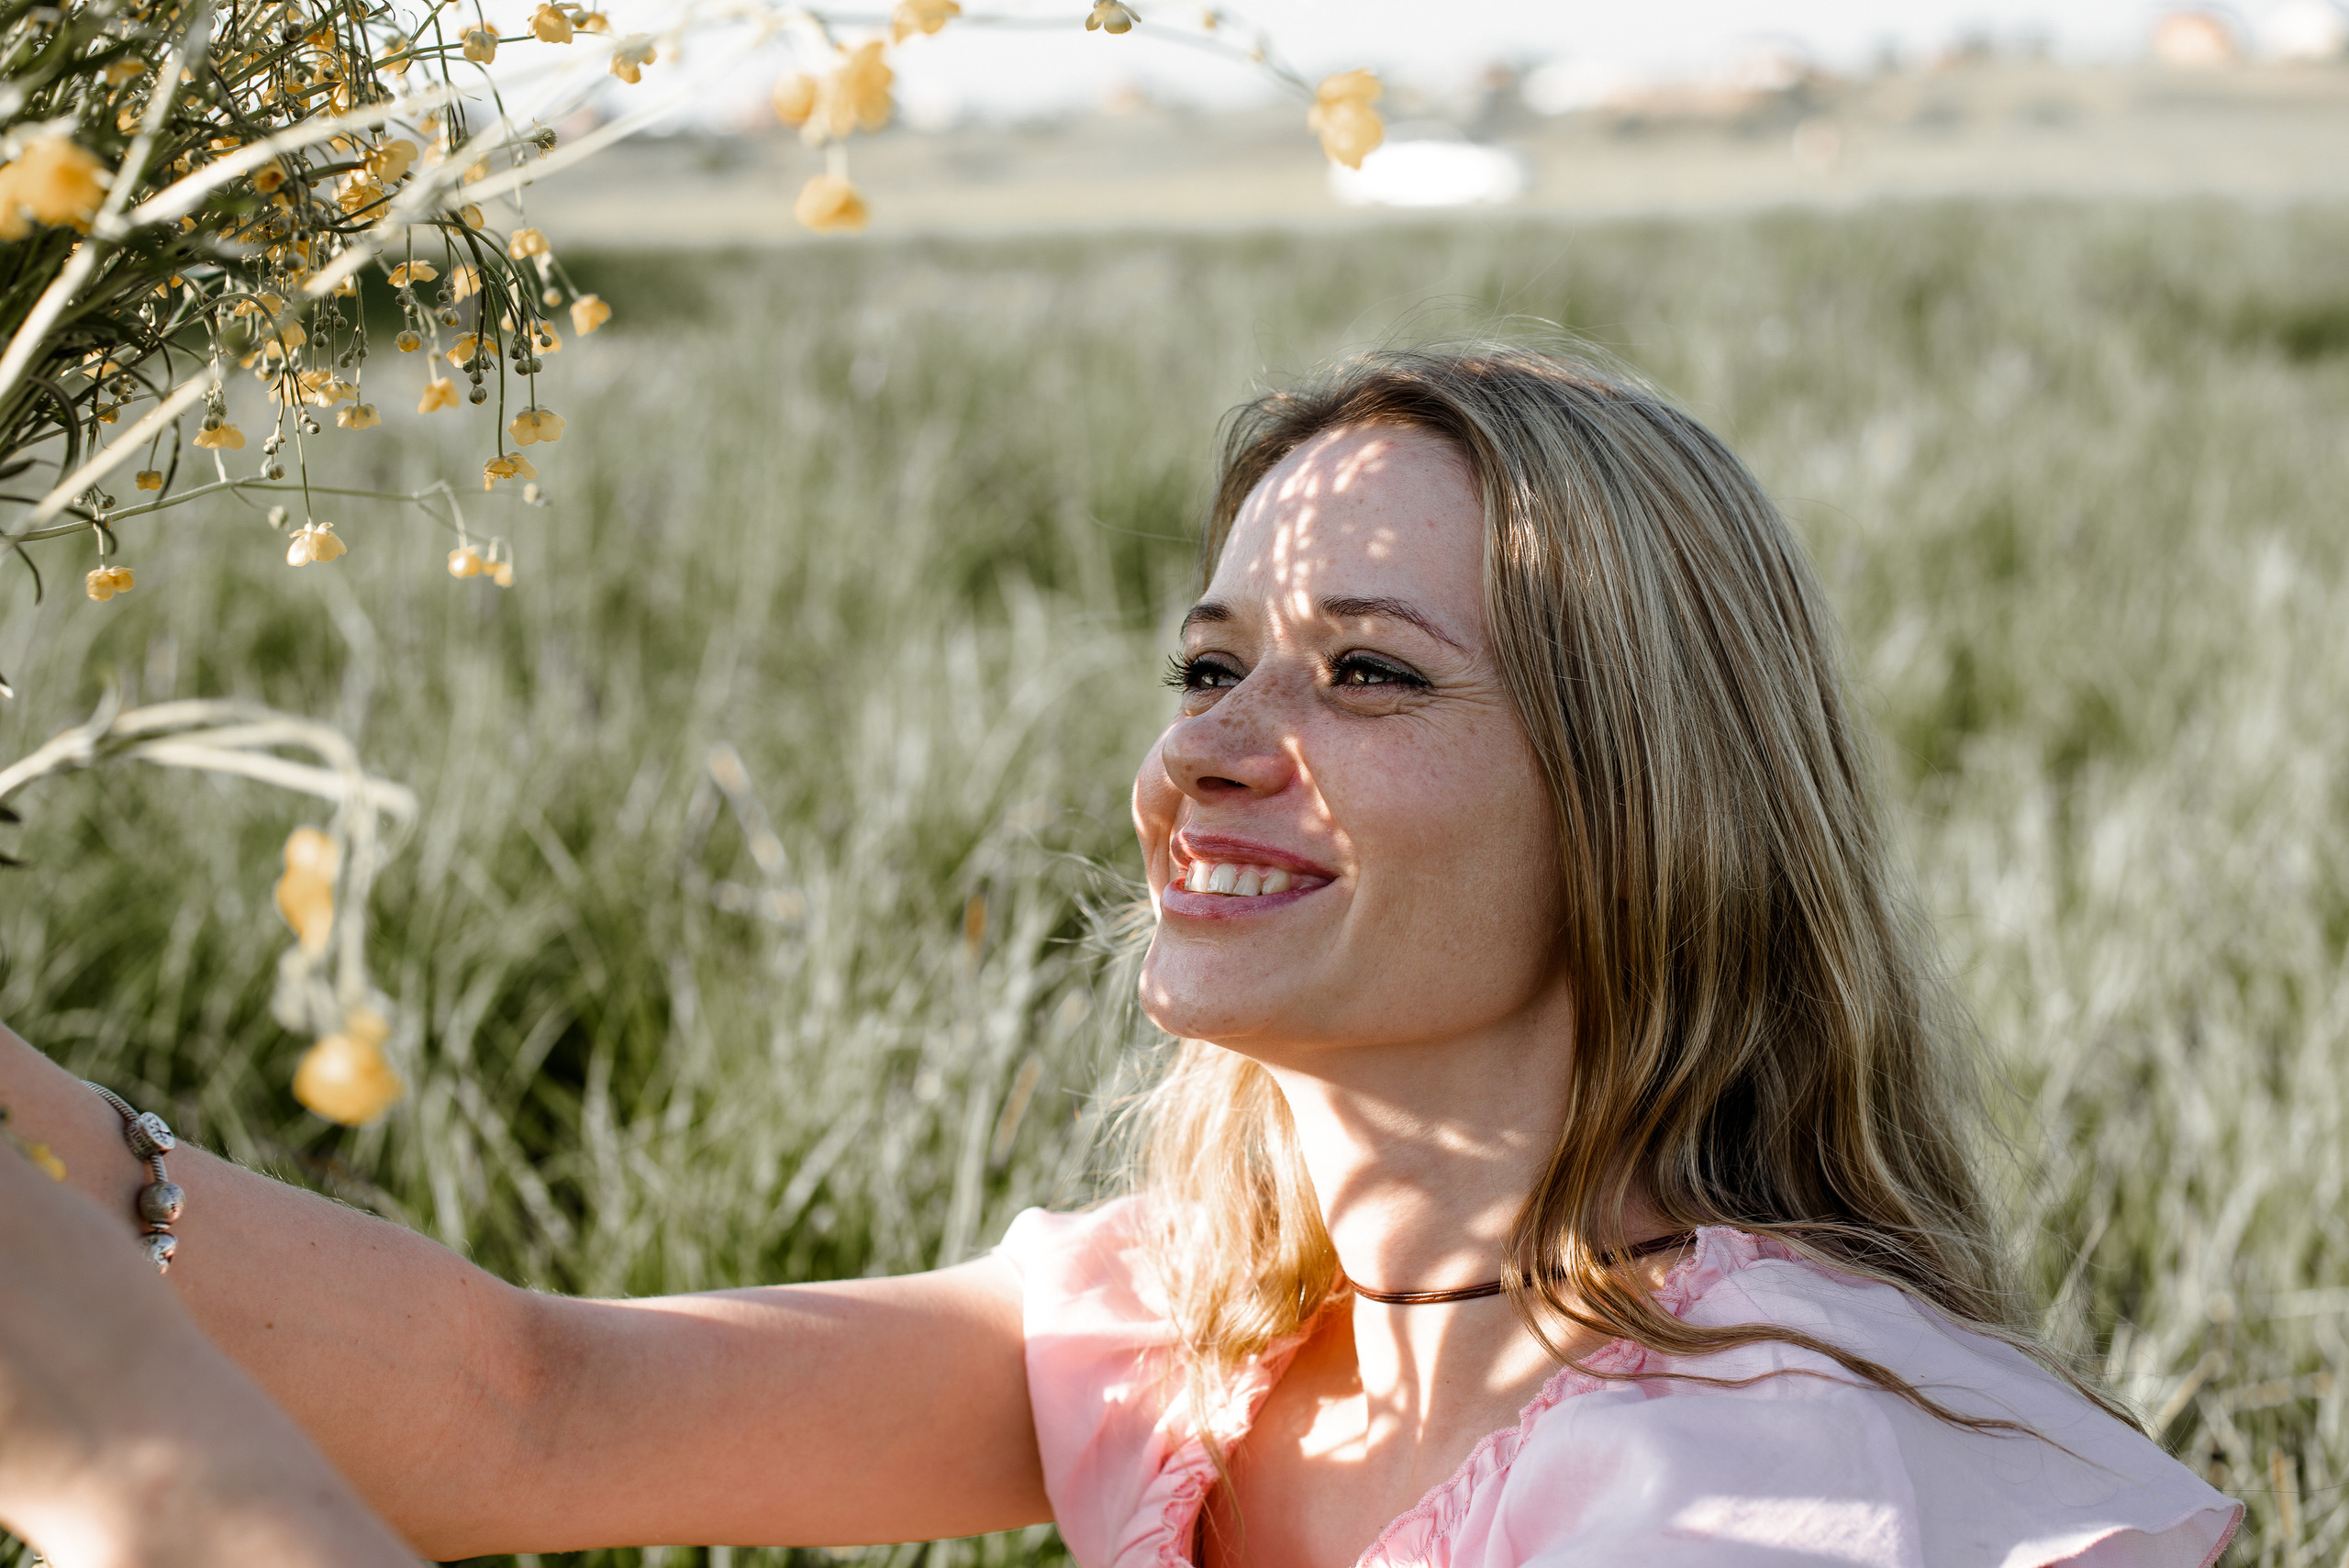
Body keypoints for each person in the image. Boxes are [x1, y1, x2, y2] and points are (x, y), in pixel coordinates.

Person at [0, 346, 2240, 1568]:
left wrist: (158, 1492)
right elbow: (531, 1408)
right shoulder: (1207, 1326)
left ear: (1641, 799)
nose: (1208, 763)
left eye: (1365, 678)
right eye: (1203, 669)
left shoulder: (1769, 1474)